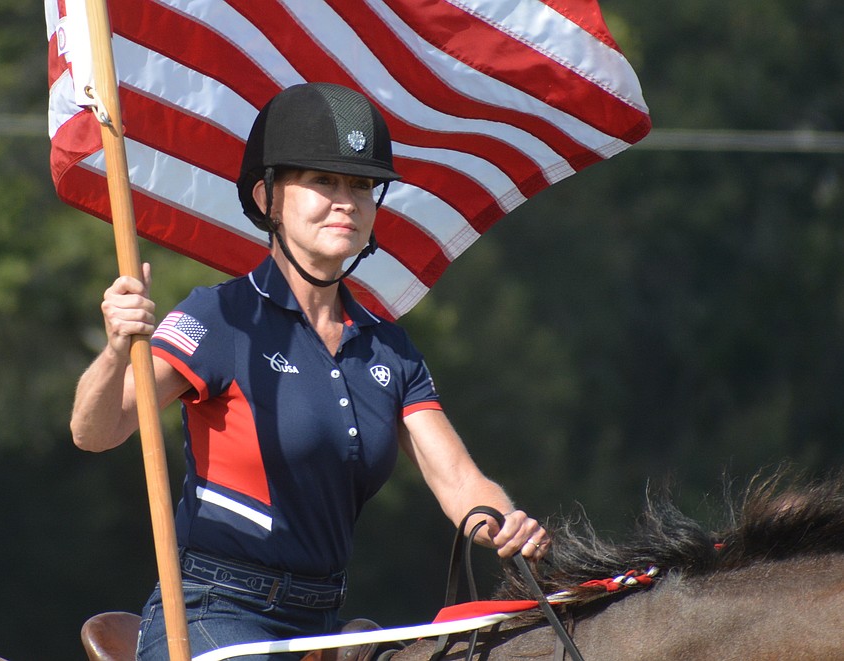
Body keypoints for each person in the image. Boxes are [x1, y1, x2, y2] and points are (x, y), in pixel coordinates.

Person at [70, 82, 549, 661]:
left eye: (361, 185)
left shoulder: (390, 350)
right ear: (269, 198)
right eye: (323, 180)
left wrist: (505, 523)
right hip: (212, 611)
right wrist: (117, 349)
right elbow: (96, 431)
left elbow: (460, 484)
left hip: (322, 619)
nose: (346, 200)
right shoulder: (218, 316)